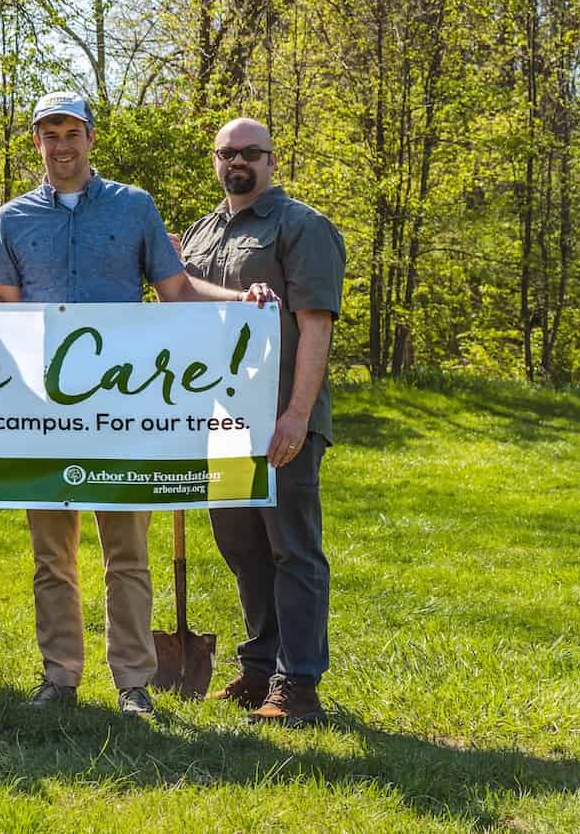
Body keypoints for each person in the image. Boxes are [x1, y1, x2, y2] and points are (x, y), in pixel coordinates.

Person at [0, 92, 276, 717]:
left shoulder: (133, 206)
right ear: (37, 143)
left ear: (91, 138)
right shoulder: (13, 219)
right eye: (50, 134)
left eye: (72, 133)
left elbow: (174, 288)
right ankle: (59, 677)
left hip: (122, 409)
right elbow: (3, 309)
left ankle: (133, 683)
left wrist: (237, 300)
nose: (62, 145)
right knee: (51, 556)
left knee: (127, 554)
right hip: (42, 413)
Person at [180, 118, 345, 726]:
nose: (238, 162)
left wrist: (297, 417)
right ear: (216, 160)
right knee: (240, 545)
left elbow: (316, 324)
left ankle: (299, 685)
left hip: (279, 416)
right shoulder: (203, 231)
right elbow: (179, 295)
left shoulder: (302, 227)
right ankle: (259, 668)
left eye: (251, 152)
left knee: (292, 550)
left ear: (271, 160)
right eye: (228, 153)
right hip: (220, 419)